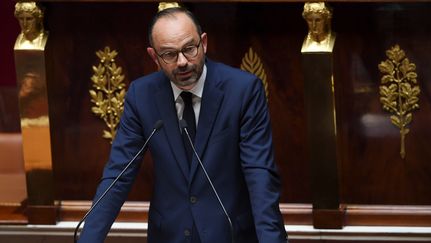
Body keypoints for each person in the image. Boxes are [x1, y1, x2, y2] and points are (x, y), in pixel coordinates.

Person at [78, 6, 287, 243]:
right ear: (154, 57)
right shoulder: (141, 95)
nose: (182, 62)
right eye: (169, 54)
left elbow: (259, 172)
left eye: (189, 49)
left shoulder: (243, 90)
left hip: (230, 233)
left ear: (204, 43)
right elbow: (118, 175)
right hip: (170, 234)